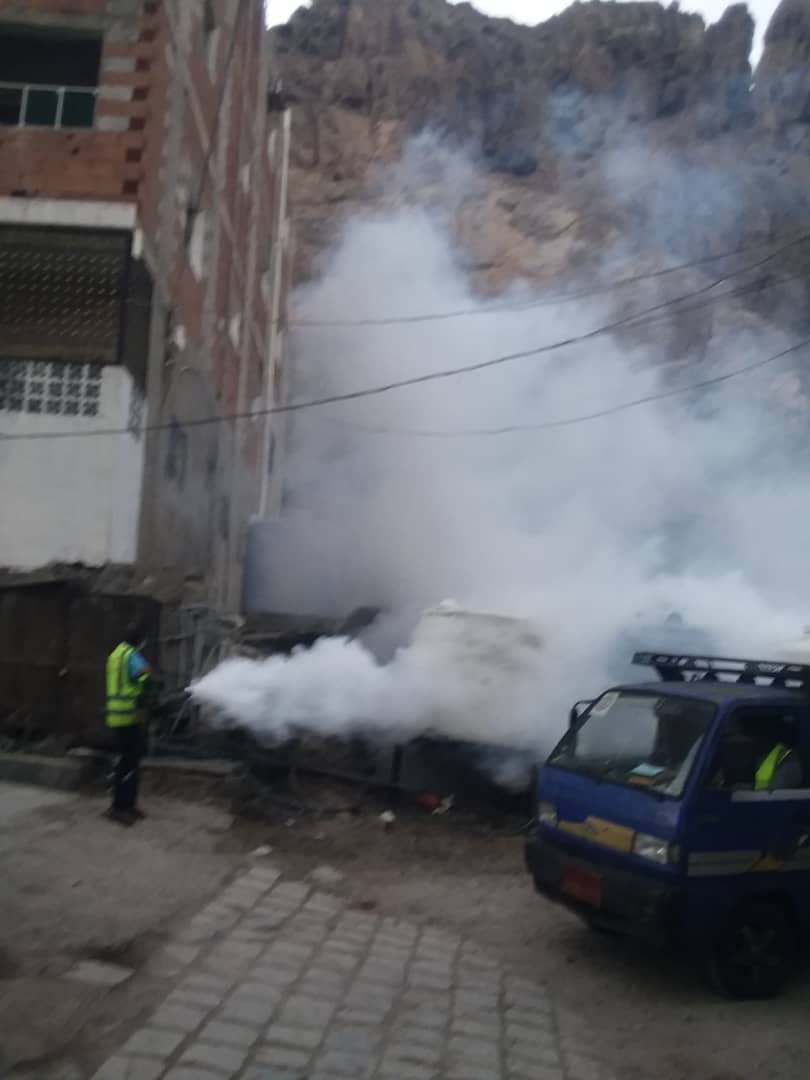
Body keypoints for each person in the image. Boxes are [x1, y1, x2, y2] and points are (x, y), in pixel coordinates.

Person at [105, 623, 155, 825]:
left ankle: (125, 805)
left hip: (117, 716)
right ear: (140, 641)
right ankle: (121, 808)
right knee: (129, 764)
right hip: (129, 716)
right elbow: (145, 675)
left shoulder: (115, 655)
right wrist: (149, 690)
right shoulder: (131, 655)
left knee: (125, 763)